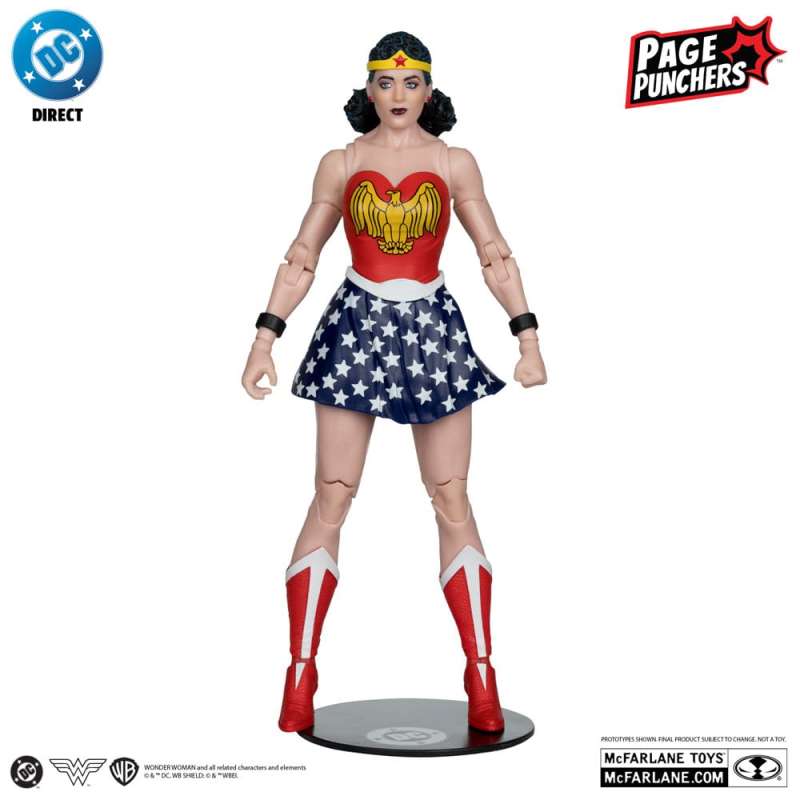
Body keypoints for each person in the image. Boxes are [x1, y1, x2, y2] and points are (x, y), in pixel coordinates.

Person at [241, 31, 547, 733]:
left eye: (411, 83)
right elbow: (302, 255)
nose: (399, 94)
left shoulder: (452, 161)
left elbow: (494, 253)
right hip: (356, 325)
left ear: (429, 90)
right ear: (369, 90)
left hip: (432, 326)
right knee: (332, 494)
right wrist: (264, 337)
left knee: (451, 496)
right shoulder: (342, 163)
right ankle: (300, 668)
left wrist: (526, 336)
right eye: (386, 82)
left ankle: (481, 671)